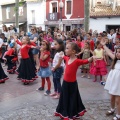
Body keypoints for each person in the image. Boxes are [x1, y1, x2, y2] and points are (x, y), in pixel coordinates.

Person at [54, 42, 93, 120]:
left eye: (67, 48)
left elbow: (86, 61)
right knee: (64, 98)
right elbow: (63, 56)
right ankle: (64, 112)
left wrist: (93, 57)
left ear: (73, 51)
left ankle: (72, 113)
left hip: (72, 84)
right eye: (66, 48)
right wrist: (61, 54)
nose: (65, 49)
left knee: (72, 99)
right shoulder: (67, 58)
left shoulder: (77, 61)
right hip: (65, 83)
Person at [101, 39, 120, 120]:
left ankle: (118, 115)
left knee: (118, 101)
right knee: (112, 97)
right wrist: (104, 45)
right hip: (113, 82)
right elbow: (109, 52)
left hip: (119, 83)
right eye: (117, 52)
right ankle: (112, 109)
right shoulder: (115, 60)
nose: (118, 53)